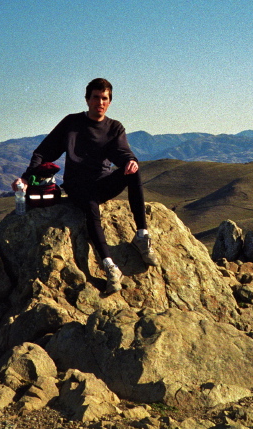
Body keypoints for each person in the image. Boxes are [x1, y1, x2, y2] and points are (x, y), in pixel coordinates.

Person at [14, 78, 157, 293]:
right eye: (96, 97)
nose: (100, 102)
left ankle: (141, 235)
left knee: (134, 173)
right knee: (91, 206)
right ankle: (110, 265)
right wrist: (26, 177)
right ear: (87, 99)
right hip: (77, 185)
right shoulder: (72, 124)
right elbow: (44, 152)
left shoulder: (114, 128)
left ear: (109, 102)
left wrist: (130, 161)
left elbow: (122, 152)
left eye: (105, 98)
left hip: (102, 182)